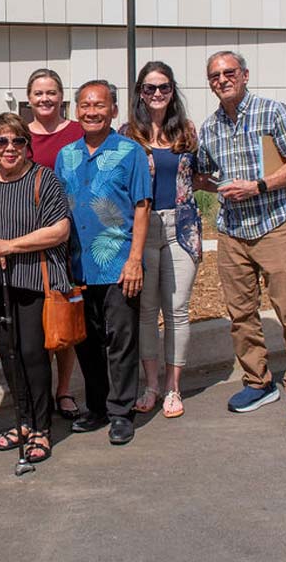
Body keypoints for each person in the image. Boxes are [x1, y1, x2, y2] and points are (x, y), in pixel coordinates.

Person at [194, 50, 286, 426]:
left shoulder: (273, 112)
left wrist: (258, 186)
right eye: (215, 76)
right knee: (241, 312)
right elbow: (203, 173)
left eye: (228, 72)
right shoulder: (210, 127)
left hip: (274, 224)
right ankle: (258, 381)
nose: (222, 80)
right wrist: (213, 185)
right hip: (232, 230)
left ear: (245, 75)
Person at [0, 112, 70, 464]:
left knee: (32, 355)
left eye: (17, 141)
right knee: (9, 355)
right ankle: (23, 419)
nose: (10, 148)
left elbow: (59, 230)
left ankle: (42, 426)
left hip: (33, 282)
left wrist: (8, 246)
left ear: (28, 145)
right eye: (1, 142)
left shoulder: (44, 179)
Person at [54, 80, 150, 446]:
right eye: (85, 105)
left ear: (113, 109)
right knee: (87, 341)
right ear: (76, 110)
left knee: (121, 341)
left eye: (100, 105)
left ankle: (121, 411)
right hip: (77, 266)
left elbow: (142, 206)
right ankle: (96, 406)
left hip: (118, 264)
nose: (91, 111)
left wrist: (135, 260)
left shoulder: (131, 152)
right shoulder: (67, 155)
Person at [121, 62, 203, 419]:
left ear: (173, 91)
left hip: (181, 229)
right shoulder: (127, 134)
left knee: (177, 311)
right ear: (140, 91)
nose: (157, 94)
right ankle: (151, 384)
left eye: (164, 87)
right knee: (146, 312)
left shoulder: (185, 131)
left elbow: (199, 175)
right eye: (150, 88)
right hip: (143, 228)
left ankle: (173, 387)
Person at [25, 67, 85, 421]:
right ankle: (40, 392)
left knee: (66, 313)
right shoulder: (19, 136)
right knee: (39, 318)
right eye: (38, 93)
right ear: (29, 98)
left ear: (61, 96)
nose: (45, 99)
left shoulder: (78, 132)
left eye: (51, 93)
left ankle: (64, 390)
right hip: (34, 237)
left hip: (72, 236)